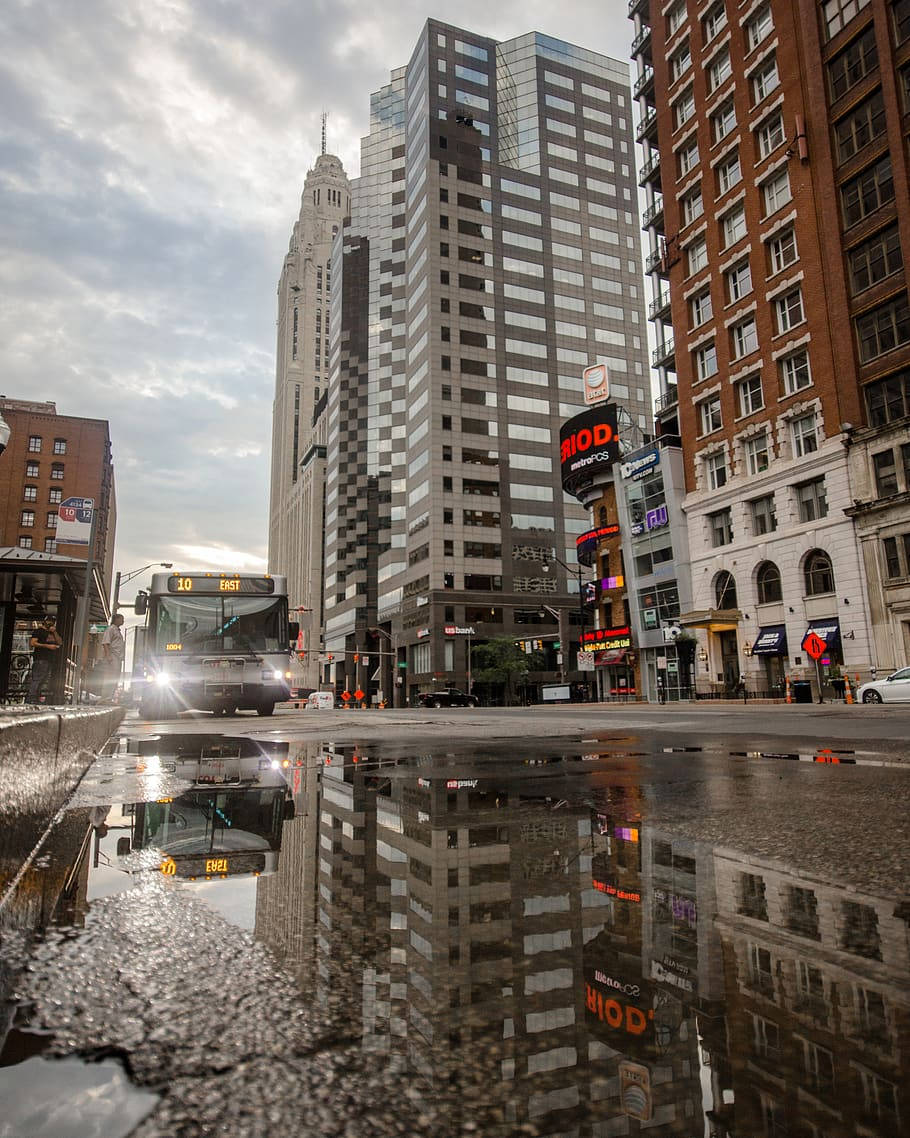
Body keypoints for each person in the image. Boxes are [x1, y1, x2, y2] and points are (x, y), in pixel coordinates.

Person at [27, 617, 62, 703]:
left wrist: (54, 632)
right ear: (44, 621)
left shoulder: (53, 632)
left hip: (50, 659)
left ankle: (36, 698)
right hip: (40, 658)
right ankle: (31, 698)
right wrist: (48, 646)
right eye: (49, 621)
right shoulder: (38, 631)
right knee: (37, 679)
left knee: (43, 680)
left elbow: (60, 642)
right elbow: (32, 643)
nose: (51, 623)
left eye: (53, 621)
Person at [100, 613, 126, 702]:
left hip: (118, 658)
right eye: (121, 619)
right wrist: (108, 656)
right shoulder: (111, 629)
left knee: (115, 678)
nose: (123, 621)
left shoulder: (117, 631)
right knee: (109, 678)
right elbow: (105, 642)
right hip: (112, 656)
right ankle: (104, 699)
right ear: (116, 619)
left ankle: (109, 698)